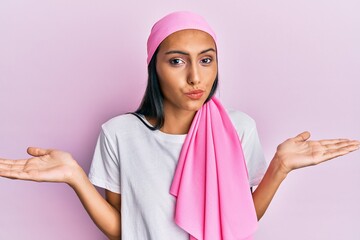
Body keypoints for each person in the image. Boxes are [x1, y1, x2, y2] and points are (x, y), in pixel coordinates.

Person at [0, 11, 359, 240]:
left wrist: (279, 168)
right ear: (154, 66)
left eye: (206, 60)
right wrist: (75, 178)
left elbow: (239, 220)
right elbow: (123, 231)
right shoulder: (119, 133)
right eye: (176, 61)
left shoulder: (239, 127)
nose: (195, 76)